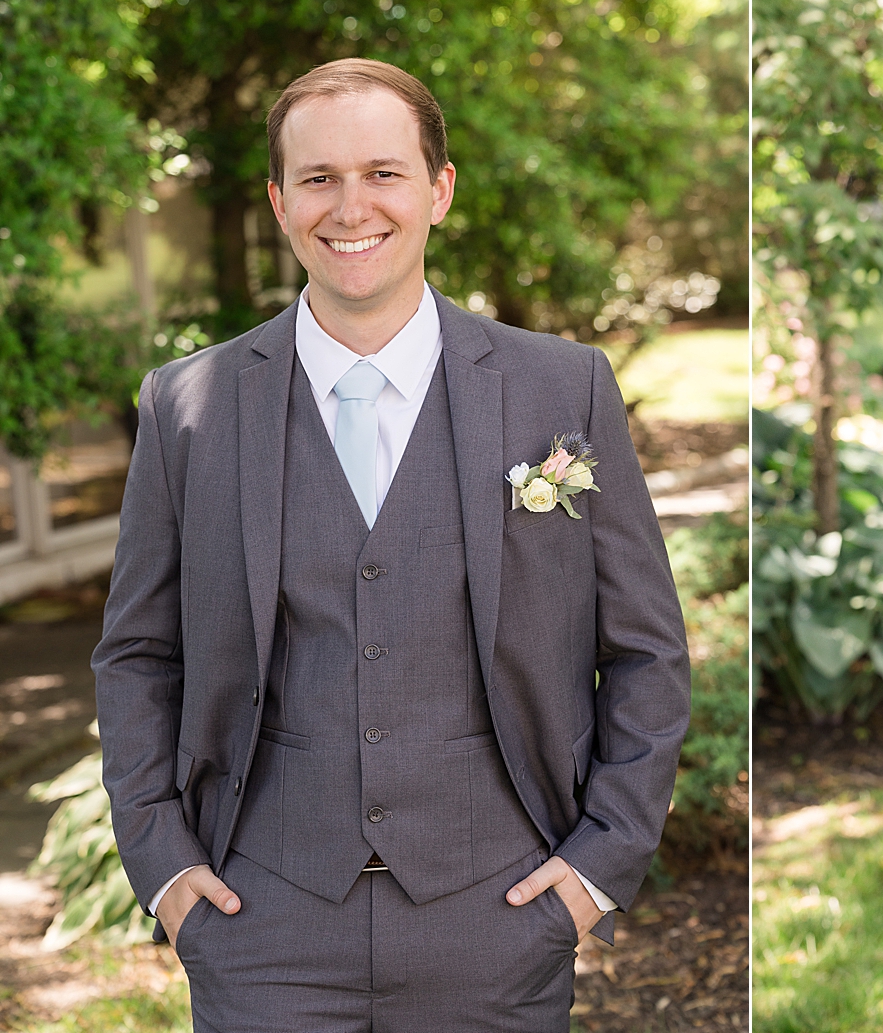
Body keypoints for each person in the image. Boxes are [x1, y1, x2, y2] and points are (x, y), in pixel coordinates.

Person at [92, 58, 690, 1032]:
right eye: (319, 179)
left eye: (383, 172)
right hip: (260, 925)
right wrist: (165, 872)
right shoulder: (187, 406)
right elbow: (136, 654)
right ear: (282, 204)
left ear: (439, 190)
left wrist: (596, 866)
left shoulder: (561, 390)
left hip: (500, 917)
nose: (351, 205)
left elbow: (646, 650)